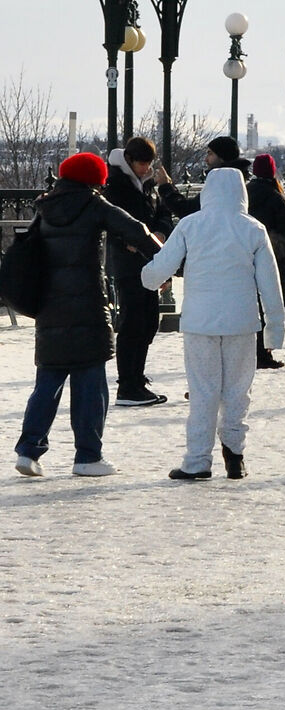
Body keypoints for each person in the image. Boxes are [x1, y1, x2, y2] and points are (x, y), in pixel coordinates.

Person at [11, 152, 160, 478]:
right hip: (88, 308)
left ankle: (28, 450)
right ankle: (88, 456)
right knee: (91, 385)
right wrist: (166, 261)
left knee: (47, 383)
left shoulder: (45, 207)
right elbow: (134, 229)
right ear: (95, 179)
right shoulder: (94, 205)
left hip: (50, 309)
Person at [142, 166, 285, 481]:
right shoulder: (253, 229)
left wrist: (148, 278)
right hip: (242, 323)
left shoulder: (191, 225)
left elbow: (162, 266)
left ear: (207, 191)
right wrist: (274, 328)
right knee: (238, 390)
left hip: (200, 323)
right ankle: (235, 455)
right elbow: (270, 284)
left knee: (203, 391)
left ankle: (197, 461)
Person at [102, 138, 178, 406]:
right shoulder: (116, 187)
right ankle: (128, 384)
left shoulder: (148, 186)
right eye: (141, 164)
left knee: (148, 322)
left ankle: (136, 378)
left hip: (151, 259)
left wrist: (159, 232)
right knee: (133, 322)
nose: (146, 169)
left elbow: (162, 215)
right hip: (128, 263)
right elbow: (116, 224)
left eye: (148, 164)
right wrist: (131, 241)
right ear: (130, 161)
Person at [247, 153, 285, 361]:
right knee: (269, 303)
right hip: (272, 256)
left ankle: (253, 349)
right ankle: (265, 350)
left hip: (246, 254)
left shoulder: (246, 192)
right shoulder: (276, 196)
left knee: (251, 303)